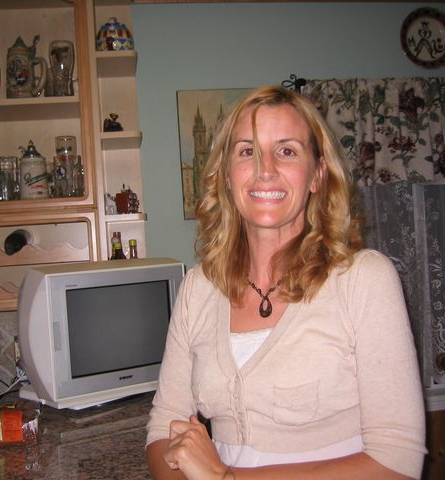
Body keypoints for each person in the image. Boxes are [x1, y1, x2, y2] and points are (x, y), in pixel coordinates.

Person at [145, 85, 427, 479]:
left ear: (317, 175)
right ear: (226, 175)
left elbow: (397, 461)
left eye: (287, 151)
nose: (265, 169)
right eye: (247, 151)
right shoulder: (198, 288)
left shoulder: (363, 279)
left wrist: (226, 478)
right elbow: (164, 428)